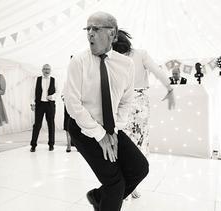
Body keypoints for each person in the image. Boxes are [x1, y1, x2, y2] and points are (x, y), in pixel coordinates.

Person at [63, 12, 149, 211]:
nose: (90, 34)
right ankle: (104, 196)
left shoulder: (126, 65)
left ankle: (97, 196)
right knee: (115, 183)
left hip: (111, 128)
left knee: (140, 168)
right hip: (83, 128)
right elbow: (73, 104)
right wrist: (101, 135)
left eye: (96, 29)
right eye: (88, 29)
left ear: (113, 34)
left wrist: (113, 131)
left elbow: (126, 102)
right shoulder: (78, 61)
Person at [112, 29, 176, 199]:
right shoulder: (141, 54)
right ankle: (131, 186)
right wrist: (170, 89)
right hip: (139, 103)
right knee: (138, 143)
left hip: (120, 103)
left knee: (123, 143)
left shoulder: (113, 58)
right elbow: (158, 72)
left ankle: (125, 186)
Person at [29, 64, 57, 152]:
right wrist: (32, 103)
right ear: (42, 70)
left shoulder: (54, 80)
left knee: (51, 125)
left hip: (50, 105)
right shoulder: (37, 79)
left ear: (50, 70)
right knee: (37, 125)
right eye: (45, 69)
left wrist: (52, 96)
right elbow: (32, 92)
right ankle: (33, 145)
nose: (46, 70)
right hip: (39, 104)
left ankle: (51, 144)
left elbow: (58, 92)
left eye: (48, 69)